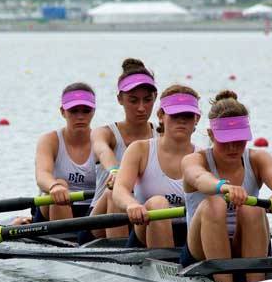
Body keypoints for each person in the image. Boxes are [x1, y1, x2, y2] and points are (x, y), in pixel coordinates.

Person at [181, 90, 272, 282]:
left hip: (245, 242)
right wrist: (222, 187)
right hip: (200, 250)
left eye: (239, 139)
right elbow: (199, 178)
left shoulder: (258, 159)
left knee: (252, 207)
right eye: (226, 140)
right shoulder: (194, 160)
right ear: (210, 134)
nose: (233, 146)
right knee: (215, 203)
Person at [113, 85, 201, 248]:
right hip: (146, 230)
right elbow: (119, 190)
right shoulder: (140, 150)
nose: (181, 120)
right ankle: (165, 267)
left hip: (191, 234)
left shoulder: (203, 157)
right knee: (158, 203)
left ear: (197, 119)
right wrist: (131, 204)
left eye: (188, 115)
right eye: (175, 115)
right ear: (161, 115)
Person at [88, 58, 158, 239]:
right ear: (120, 99)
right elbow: (103, 151)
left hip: (144, 214)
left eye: (147, 100)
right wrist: (114, 170)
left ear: (155, 98)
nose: (141, 108)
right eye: (133, 100)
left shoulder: (162, 136)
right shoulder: (104, 133)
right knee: (115, 191)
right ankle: (119, 254)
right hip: (100, 220)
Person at [34, 82, 96, 221]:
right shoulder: (50, 140)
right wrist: (54, 186)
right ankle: (65, 237)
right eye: (73, 111)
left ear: (93, 111)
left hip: (92, 210)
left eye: (86, 110)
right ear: (63, 112)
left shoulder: (102, 139)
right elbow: (42, 174)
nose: (80, 116)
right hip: (53, 207)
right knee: (61, 184)